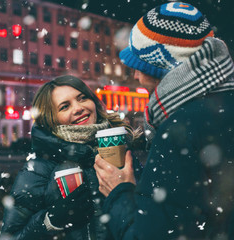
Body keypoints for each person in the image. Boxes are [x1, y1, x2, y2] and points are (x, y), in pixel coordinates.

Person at [94, 2, 234, 239]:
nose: (136, 77)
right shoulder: (221, 106)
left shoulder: (179, 129)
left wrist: (119, 192)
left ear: (165, 68)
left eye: (140, 67)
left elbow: (154, 234)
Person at [0, 75, 141, 240]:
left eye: (82, 98)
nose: (78, 108)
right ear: (50, 119)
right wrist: (51, 220)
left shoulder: (124, 151)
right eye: (65, 106)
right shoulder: (38, 169)